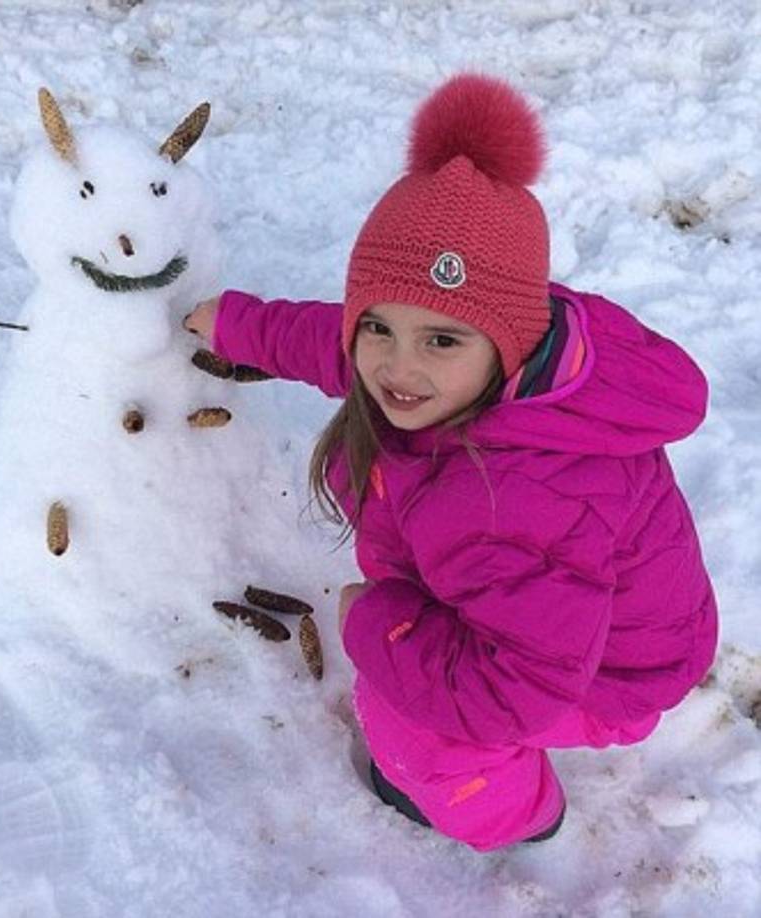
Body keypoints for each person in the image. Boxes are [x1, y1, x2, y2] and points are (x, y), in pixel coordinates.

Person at [184, 73, 718, 852]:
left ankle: (517, 814)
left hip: (602, 677)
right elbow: (345, 343)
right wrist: (238, 326)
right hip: (554, 616)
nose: (399, 368)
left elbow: (516, 694)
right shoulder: (490, 365)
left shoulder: (509, 500)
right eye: (380, 329)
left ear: (504, 344)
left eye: (439, 341)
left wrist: (376, 623)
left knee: (410, 715)